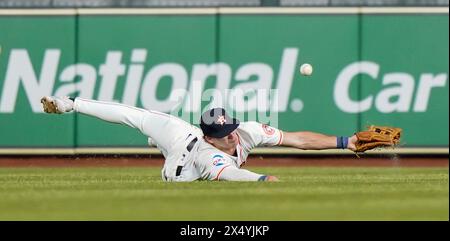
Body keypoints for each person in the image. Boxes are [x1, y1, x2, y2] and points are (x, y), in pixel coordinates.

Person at [40, 96, 358, 182]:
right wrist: (261, 179)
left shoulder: (245, 131)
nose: (231, 136)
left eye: (230, 128)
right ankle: (162, 147)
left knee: (143, 119)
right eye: (222, 135)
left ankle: (70, 104)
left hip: (183, 134)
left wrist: (346, 142)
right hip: (181, 164)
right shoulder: (210, 154)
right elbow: (230, 173)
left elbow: (297, 139)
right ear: (211, 138)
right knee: (146, 124)